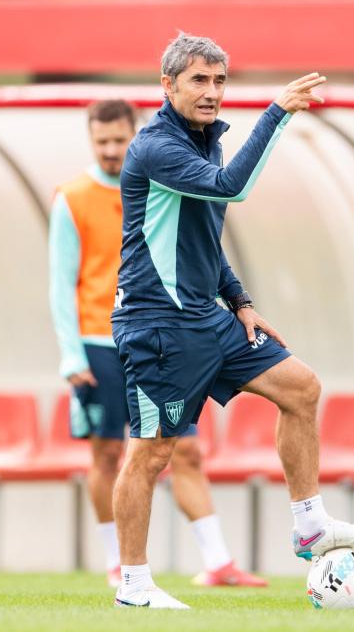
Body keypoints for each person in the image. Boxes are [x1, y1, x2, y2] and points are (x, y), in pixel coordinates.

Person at [108, 33, 354, 609]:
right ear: (168, 86)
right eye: (199, 81)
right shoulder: (155, 148)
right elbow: (229, 189)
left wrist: (239, 301)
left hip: (209, 320)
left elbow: (205, 238)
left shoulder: (204, 140)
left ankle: (310, 526)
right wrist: (277, 113)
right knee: (151, 454)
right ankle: (134, 587)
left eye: (219, 81)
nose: (212, 93)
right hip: (157, 323)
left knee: (302, 388)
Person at [49, 99, 266, 588]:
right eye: (100, 142)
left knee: (182, 450)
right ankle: (115, 560)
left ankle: (217, 562)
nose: (110, 151)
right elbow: (60, 281)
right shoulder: (73, 197)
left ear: (135, 135)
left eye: (118, 140)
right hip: (97, 342)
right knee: (108, 455)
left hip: (164, 338)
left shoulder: (165, 175)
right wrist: (70, 353)